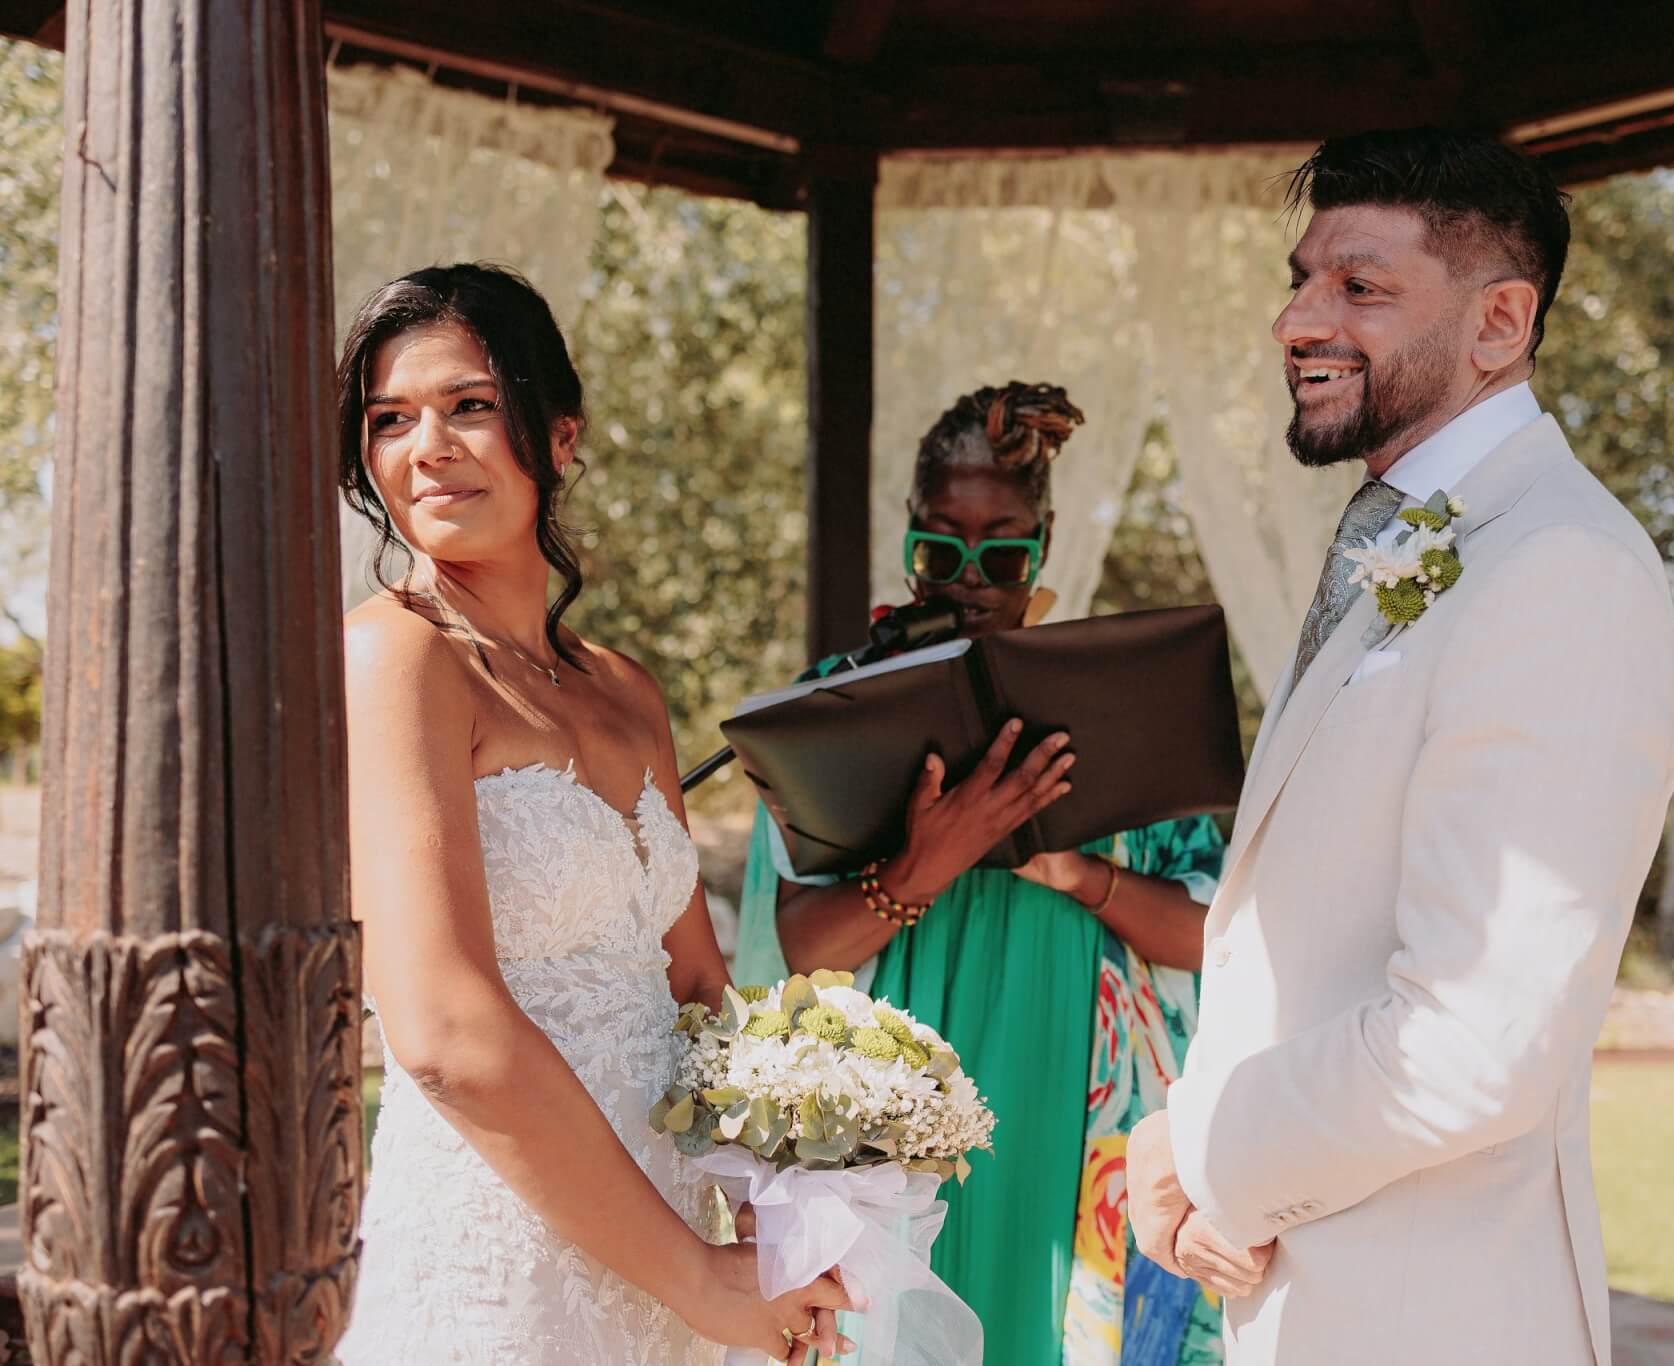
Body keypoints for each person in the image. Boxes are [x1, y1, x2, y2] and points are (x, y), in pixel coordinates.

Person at [1126, 128, 1674, 1364]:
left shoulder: (1560, 573)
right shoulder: (1424, 541)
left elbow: (1474, 1046)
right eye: (1301, 278)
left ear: (1498, 323)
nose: (1294, 319)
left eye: (1359, 287)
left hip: (1431, 1318)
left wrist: (1199, 1146)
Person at [332, 264, 851, 1365]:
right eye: (390, 419)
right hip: (505, 1256)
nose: (426, 446)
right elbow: (441, 1031)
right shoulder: (394, 656)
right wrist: (694, 1276)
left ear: (559, 435)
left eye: (468, 405)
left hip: (681, 1241)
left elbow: (697, 985)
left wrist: (775, 1190)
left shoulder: (624, 688)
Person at [734, 381, 1233, 1365]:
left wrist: (1077, 873)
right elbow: (800, 945)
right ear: (909, 538)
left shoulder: (1119, 700)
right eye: (940, 548)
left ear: (1043, 542)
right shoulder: (837, 706)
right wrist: (929, 859)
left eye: (1002, 549)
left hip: (1066, 1085)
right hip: (888, 1091)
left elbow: (1212, 934)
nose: (969, 577)